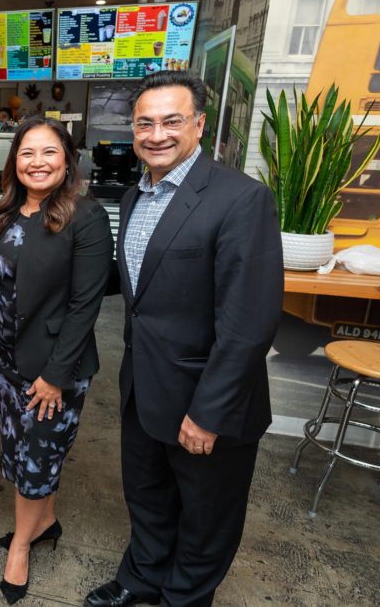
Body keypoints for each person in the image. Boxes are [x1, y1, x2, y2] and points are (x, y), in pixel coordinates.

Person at [85, 71, 283, 607]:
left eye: (172, 121)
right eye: (145, 123)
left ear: (198, 124)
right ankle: (142, 577)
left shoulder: (241, 200)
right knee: (147, 497)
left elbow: (248, 324)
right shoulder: (132, 198)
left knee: (205, 517)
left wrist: (209, 413)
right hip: (143, 389)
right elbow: (138, 286)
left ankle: (184, 598)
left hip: (206, 399)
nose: (156, 134)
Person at [0, 117, 113, 604]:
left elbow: (86, 305)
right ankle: (45, 523)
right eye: (27, 153)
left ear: (67, 159)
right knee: (28, 453)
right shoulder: (8, 214)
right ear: (14, 161)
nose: (36, 163)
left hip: (53, 369)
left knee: (37, 457)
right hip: (9, 360)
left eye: (48, 153)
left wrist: (56, 376)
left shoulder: (86, 216)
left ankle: (20, 544)